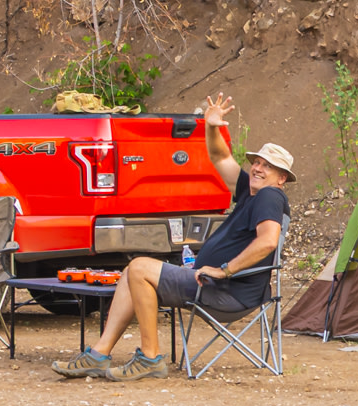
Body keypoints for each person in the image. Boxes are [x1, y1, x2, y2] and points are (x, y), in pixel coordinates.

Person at [55, 104, 293, 381]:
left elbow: (267, 242)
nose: (258, 168)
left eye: (268, 166)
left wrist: (224, 269)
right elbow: (219, 156)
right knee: (132, 271)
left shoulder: (270, 197)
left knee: (141, 268)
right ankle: (98, 355)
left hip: (227, 291)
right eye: (257, 162)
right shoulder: (250, 192)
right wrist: (212, 125)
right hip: (211, 283)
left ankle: (150, 358)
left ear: (282, 178)